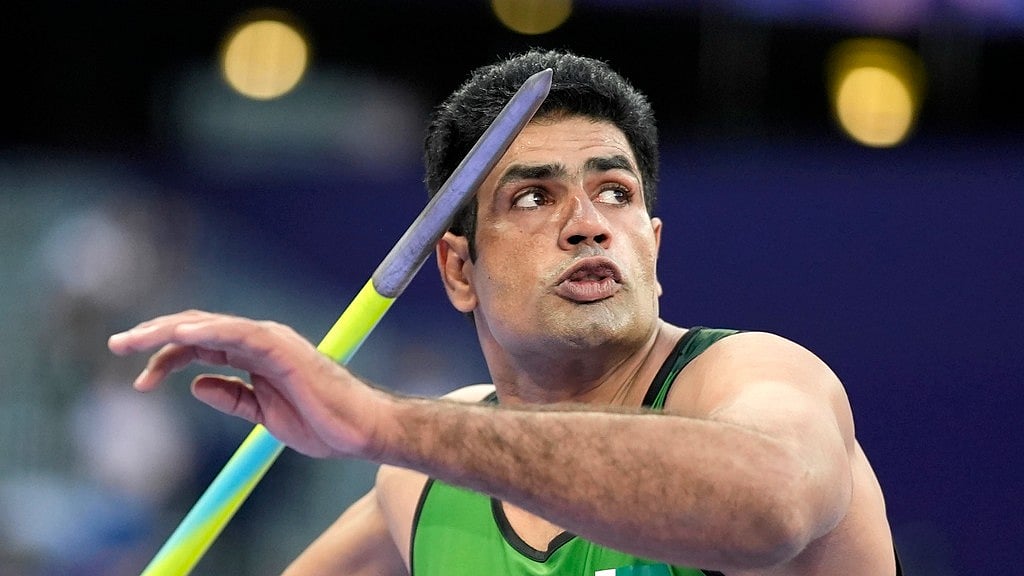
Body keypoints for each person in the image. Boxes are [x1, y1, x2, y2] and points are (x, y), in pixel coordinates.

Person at [108, 49, 902, 575]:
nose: (589, 221)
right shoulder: (418, 492)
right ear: (458, 270)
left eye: (615, 191)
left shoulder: (753, 378)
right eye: (533, 195)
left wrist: (385, 422)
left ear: (652, 247)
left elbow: (771, 506)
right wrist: (401, 440)